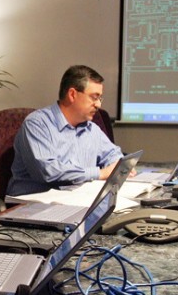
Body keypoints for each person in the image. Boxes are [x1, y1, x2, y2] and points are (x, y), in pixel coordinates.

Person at [7, 65, 129, 197]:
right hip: (33, 205)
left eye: (100, 98)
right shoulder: (37, 124)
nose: (98, 104)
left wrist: (118, 166)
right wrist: (100, 173)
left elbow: (113, 154)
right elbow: (48, 171)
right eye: (94, 97)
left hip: (76, 199)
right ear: (72, 94)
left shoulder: (91, 128)